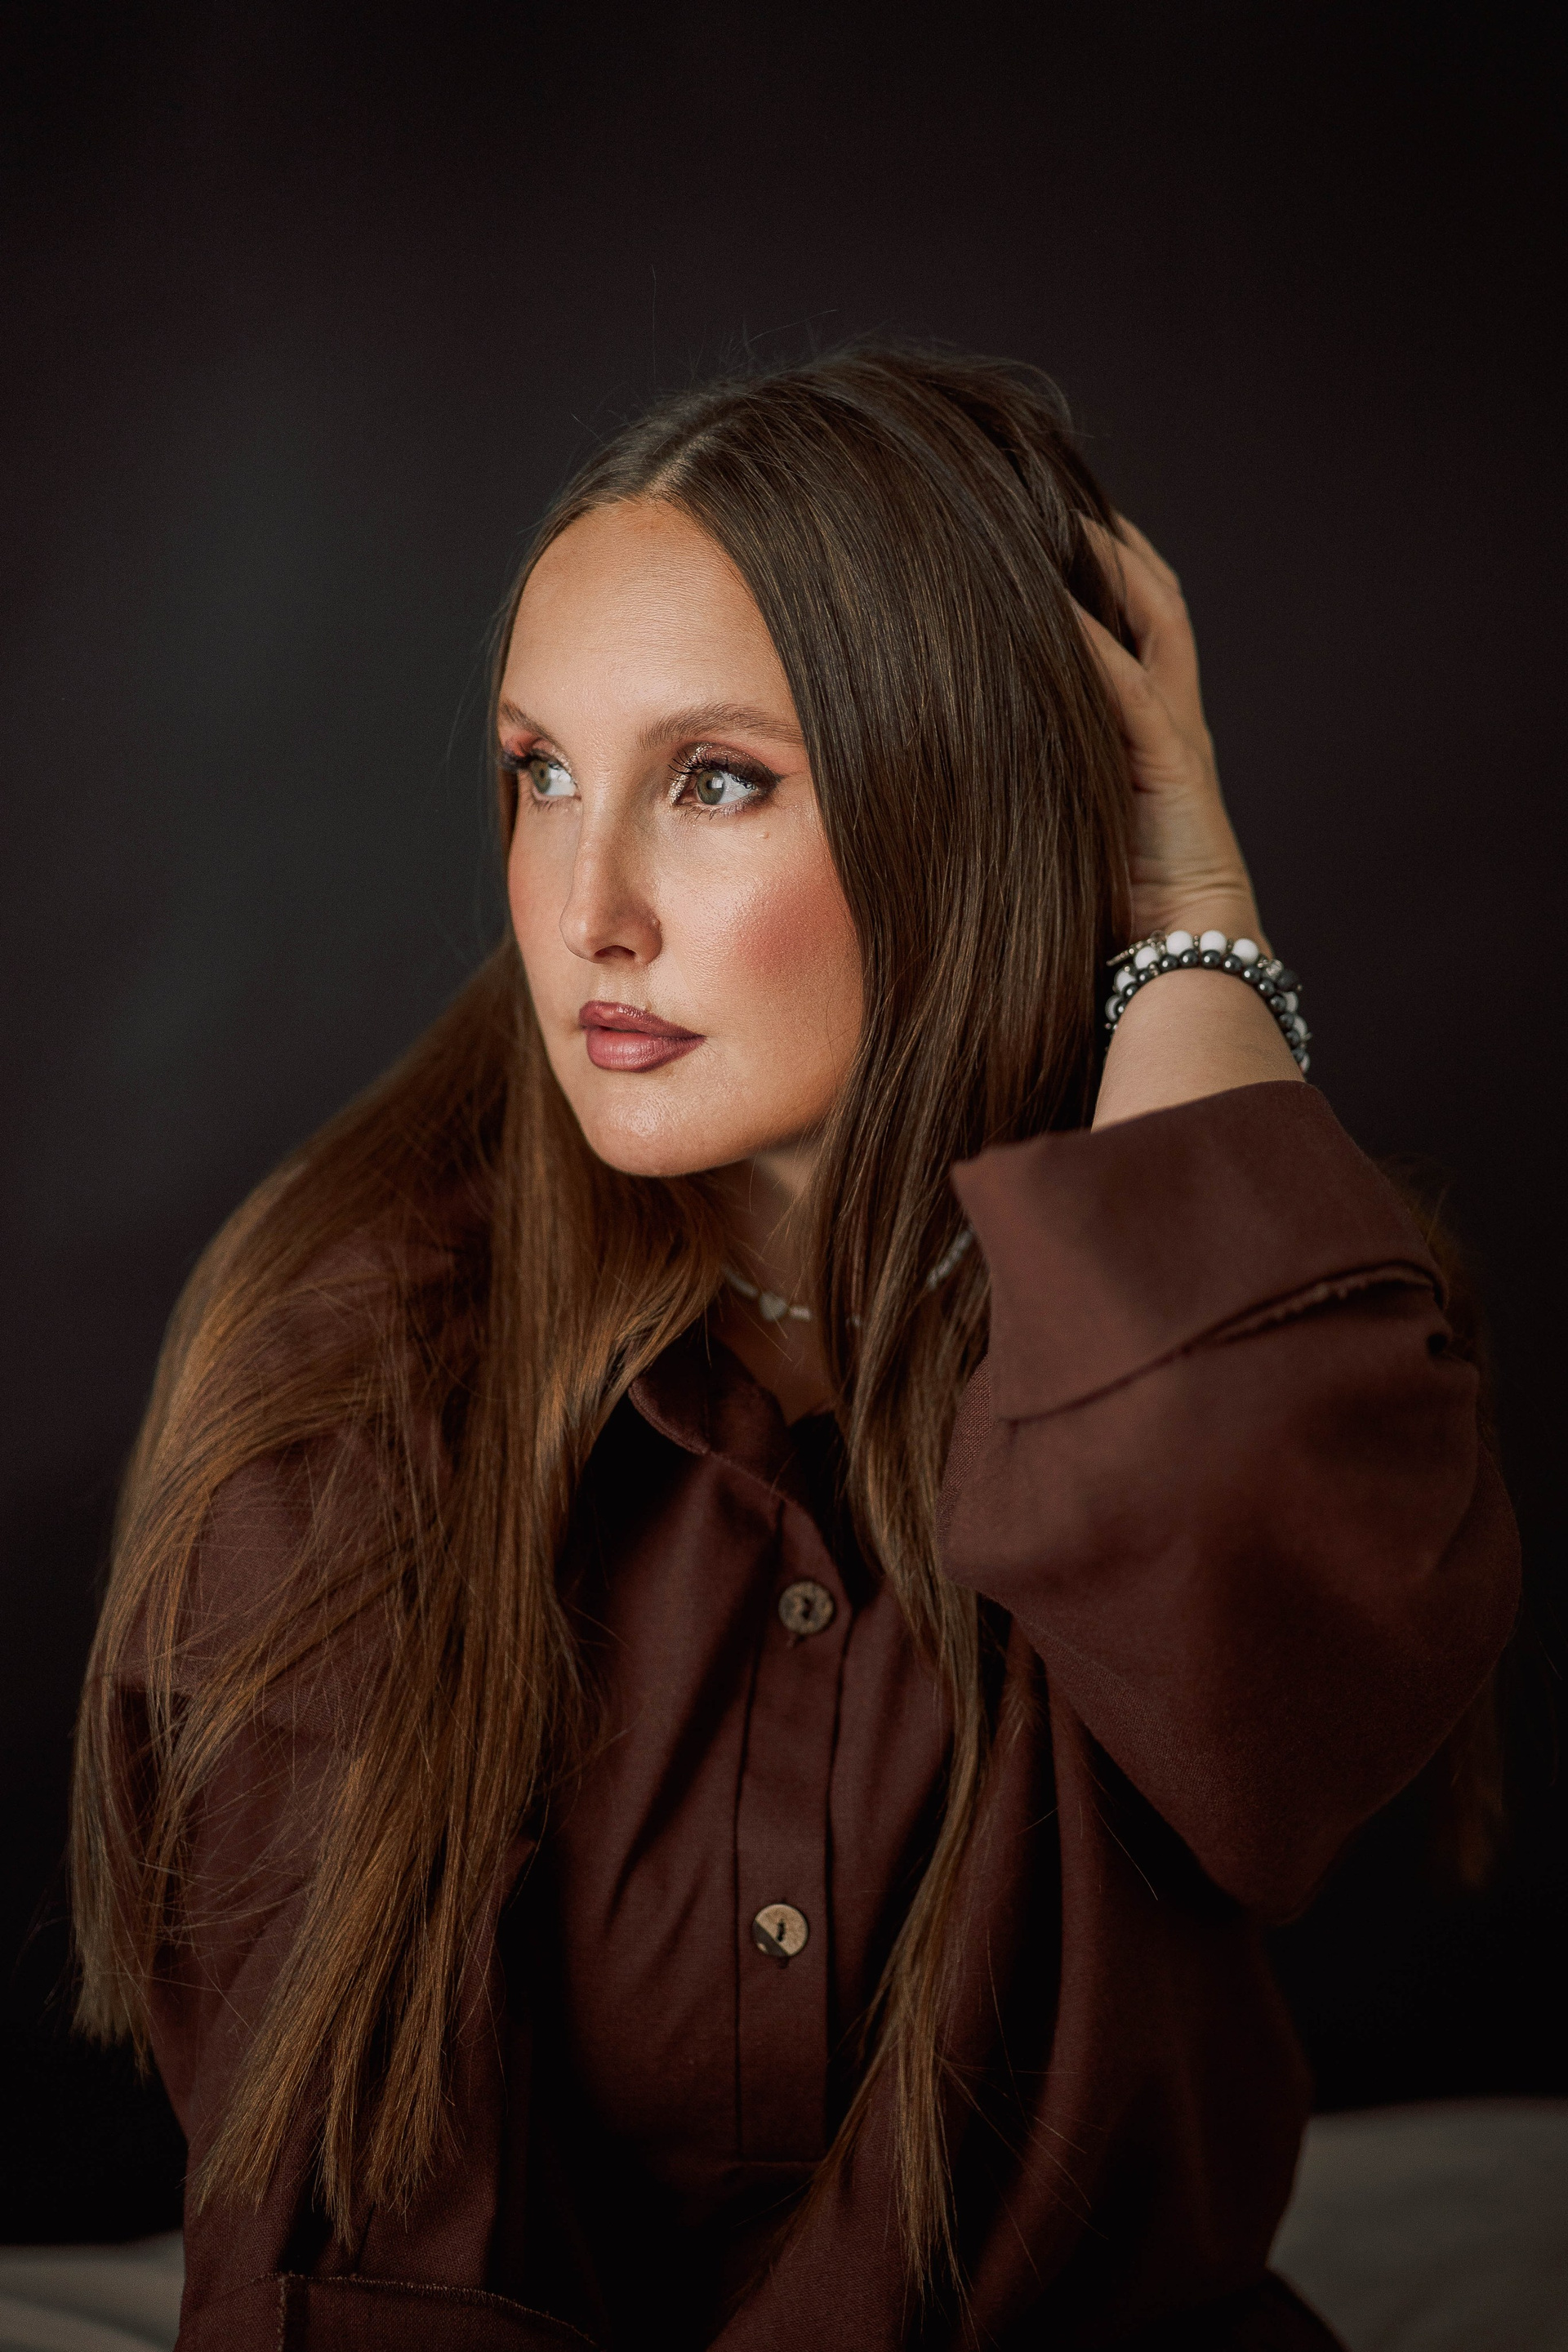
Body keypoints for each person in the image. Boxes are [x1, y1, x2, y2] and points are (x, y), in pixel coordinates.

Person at [70, 347, 1519, 2351]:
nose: (586, 911)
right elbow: (339, 2232)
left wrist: (1184, 903)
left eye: (717, 781)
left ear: (972, 807)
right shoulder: (353, 1360)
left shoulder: (1203, 1286)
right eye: (541, 773)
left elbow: (1288, 1696)